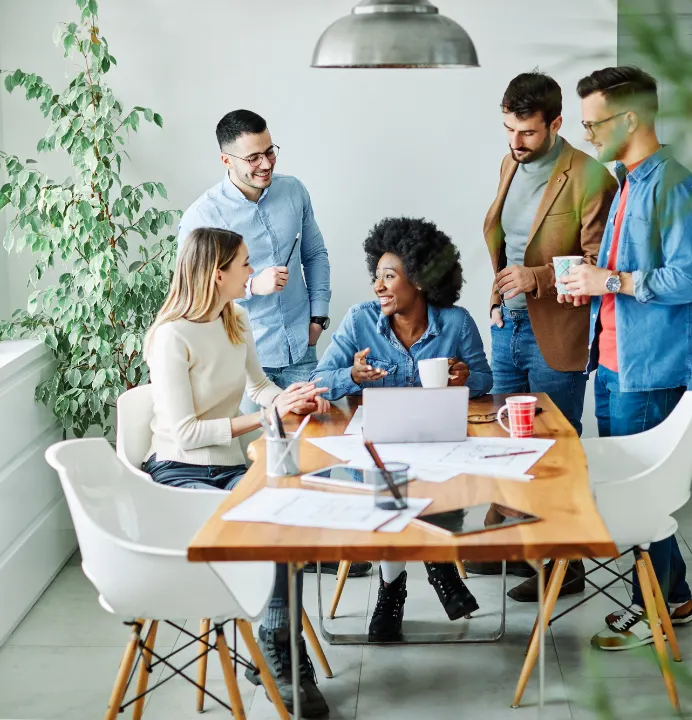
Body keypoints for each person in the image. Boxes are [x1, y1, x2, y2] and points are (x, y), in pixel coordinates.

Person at [143, 227, 332, 716]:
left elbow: (262, 385)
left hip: (225, 467)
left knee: (287, 514)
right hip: (177, 474)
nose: (253, 271)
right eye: (245, 264)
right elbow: (184, 434)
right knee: (272, 520)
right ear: (218, 273)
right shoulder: (171, 336)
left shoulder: (238, 320)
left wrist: (292, 398)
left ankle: (276, 646)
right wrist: (264, 416)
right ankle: (285, 657)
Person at [178, 109, 369, 580]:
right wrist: (251, 287)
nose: (265, 164)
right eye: (252, 158)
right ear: (226, 160)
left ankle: (314, 547)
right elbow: (192, 288)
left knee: (318, 447)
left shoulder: (292, 191)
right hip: (245, 359)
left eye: (270, 152)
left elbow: (316, 254)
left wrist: (319, 318)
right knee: (265, 464)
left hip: (302, 347)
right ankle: (275, 560)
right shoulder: (204, 216)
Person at [567, 66, 692, 651]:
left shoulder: (676, 186)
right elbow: (620, 280)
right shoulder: (628, 181)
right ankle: (671, 597)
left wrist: (616, 279)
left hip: (651, 370)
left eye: (592, 123)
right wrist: (595, 284)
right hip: (613, 365)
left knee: (642, 495)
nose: (586, 135)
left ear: (629, 119)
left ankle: (652, 605)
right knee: (636, 492)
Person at [469, 71, 616, 602]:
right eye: (509, 129)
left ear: (555, 123)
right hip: (507, 323)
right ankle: (512, 540)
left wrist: (539, 279)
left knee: (555, 446)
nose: (515, 142)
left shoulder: (591, 176)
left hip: (557, 329)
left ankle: (566, 563)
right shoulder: (511, 162)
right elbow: (507, 239)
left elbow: (601, 263)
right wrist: (503, 294)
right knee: (506, 438)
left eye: (527, 132)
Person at [311, 217, 493, 642]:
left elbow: (486, 381)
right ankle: (425, 573)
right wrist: (352, 376)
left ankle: (397, 586)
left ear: (421, 279)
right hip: (379, 454)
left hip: (439, 449)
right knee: (390, 483)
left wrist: (466, 376)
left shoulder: (456, 323)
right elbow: (320, 380)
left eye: (389, 276)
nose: (378, 286)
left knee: (420, 484)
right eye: (376, 276)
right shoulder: (359, 322)